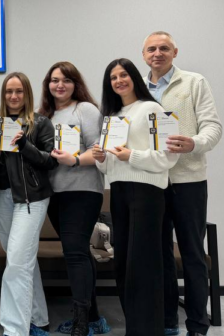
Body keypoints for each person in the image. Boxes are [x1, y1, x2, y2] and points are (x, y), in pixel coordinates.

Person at [142, 32, 222, 336]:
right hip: (152, 182)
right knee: (160, 256)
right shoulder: (138, 89)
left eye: (164, 48)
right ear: (143, 54)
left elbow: (213, 127)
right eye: (151, 49)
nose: (157, 53)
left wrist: (194, 143)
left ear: (175, 52)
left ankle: (198, 326)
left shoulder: (194, 82)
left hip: (188, 181)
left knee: (192, 254)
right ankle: (167, 322)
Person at [92, 58, 179, 336]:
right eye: (113, 77)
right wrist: (101, 158)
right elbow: (109, 167)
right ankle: (135, 326)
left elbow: (169, 157)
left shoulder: (153, 108)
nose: (119, 81)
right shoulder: (111, 116)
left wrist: (132, 155)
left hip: (147, 191)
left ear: (134, 78)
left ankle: (148, 330)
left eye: (124, 75)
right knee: (124, 264)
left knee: (144, 263)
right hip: (119, 191)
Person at [38, 62, 111, 336]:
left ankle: (82, 323)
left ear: (75, 84)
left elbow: (100, 150)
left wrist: (75, 160)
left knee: (74, 253)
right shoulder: (43, 115)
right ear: (48, 84)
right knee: (79, 252)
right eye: (55, 80)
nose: (60, 85)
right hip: (54, 194)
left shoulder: (85, 110)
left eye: (66, 80)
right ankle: (93, 319)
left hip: (83, 191)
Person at [0, 72, 57, 336]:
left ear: (27, 93)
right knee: (23, 260)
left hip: (31, 198)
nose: (13, 96)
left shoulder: (41, 123)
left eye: (19, 91)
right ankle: (39, 318)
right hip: (4, 198)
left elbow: (50, 161)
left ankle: (15, 330)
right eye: (8, 91)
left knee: (16, 262)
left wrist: (25, 145)